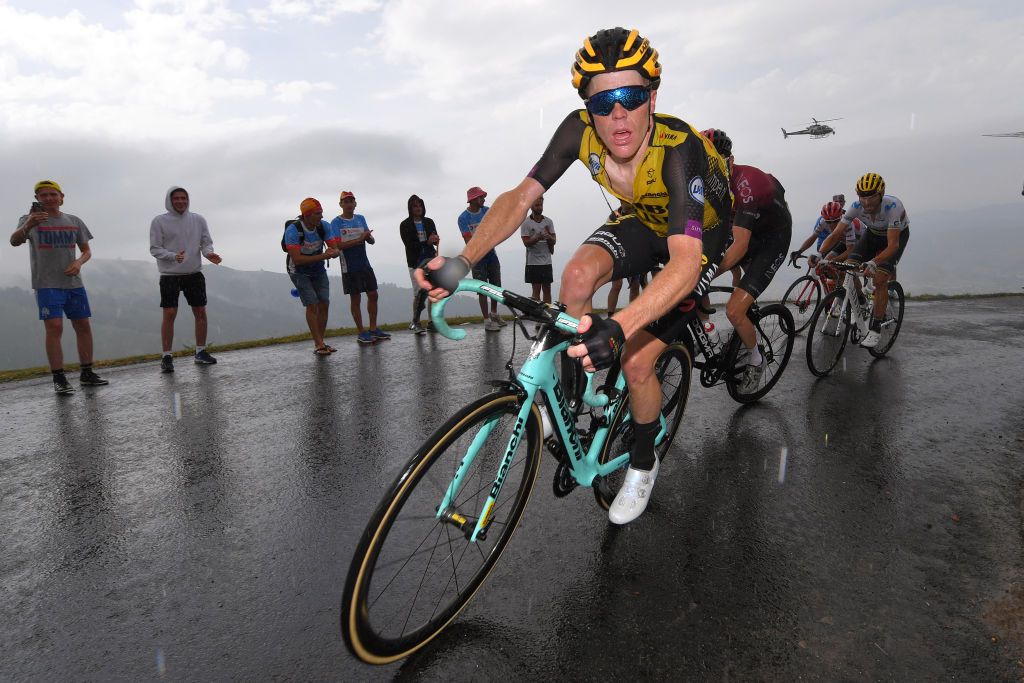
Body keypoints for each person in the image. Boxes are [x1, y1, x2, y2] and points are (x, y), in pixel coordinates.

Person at [418, 28, 732, 525]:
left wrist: (622, 324)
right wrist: (463, 261)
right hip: (641, 219)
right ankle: (569, 397)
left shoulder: (679, 148)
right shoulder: (577, 131)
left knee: (636, 362)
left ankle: (644, 463)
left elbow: (686, 262)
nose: (618, 115)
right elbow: (519, 199)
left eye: (630, 97)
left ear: (652, 96)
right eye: (602, 102)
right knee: (576, 277)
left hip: (697, 237)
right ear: (586, 106)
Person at [701, 128, 792, 393]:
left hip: (771, 241)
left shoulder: (747, 184)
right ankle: (709, 335)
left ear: (729, 161)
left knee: (734, 310)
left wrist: (703, 275)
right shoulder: (708, 184)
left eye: (717, 165)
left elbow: (740, 247)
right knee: (695, 277)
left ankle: (756, 358)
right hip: (740, 230)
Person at [9, 180, 109, 393]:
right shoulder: (27, 220)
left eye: (53, 194)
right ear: (37, 199)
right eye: (43, 195)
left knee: (83, 326)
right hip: (46, 284)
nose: (49, 198)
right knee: (54, 328)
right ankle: (59, 378)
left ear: (62, 197)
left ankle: (87, 372)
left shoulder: (74, 220)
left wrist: (78, 262)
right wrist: (29, 224)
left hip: (73, 283)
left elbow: (87, 250)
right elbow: (14, 241)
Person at [819, 172, 910, 348]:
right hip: (872, 234)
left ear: (881, 194)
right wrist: (820, 254)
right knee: (848, 268)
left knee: (880, 278)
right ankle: (860, 301)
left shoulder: (893, 207)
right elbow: (836, 233)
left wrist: (874, 262)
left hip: (894, 238)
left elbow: (892, 246)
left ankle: (875, 328)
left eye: (871, 197)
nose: (867, 202)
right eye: (862, 197)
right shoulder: (855, 206)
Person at [149, 186, 222, 372]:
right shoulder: (159, 221)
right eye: (176, 199)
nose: (181, 202)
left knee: (200, 312)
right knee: (170, 314)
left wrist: (209, 254)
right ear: (169, 201)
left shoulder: (198, 219)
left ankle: (201, 352)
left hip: (193, 273)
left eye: (184, 198)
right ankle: (166, 357)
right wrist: (173, 256)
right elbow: (155, 248)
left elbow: (206, 242)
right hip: (169, 275)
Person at [284, 197, 341, 355]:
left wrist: (333, 252)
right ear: (307, 215)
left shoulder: (324, 226)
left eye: (321, 212)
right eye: (318, 213)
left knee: (324, 303)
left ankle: (320, 342)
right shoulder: (293, 231)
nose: (321, 216)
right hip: (298, 271)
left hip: (318, 270)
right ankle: (318, 344)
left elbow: (334, 249)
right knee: (312, 304)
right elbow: (297, 259)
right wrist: (324, 256)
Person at [333, 191, 390, 345]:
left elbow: (370, 240)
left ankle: (373, 328)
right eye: (346, 201)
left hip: (364, 262)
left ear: (355, 203)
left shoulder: (360, 218)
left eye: (351, 201)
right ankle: (361, 331)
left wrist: (369, 238)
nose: (349, 203)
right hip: (349, 265)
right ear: (341, 204)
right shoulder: (336, 222)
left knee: (373, 294)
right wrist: (359, 239)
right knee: (356, 298)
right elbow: (338, 245)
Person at [458, 186, 505, 331]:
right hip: (477, 257)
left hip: (491, 253)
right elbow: (468, 240)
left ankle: (494, 314)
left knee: (495, 285)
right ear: (472, 200)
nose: (484, 199)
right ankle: (486, 320)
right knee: (482, 288)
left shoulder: (487, 211)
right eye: (481, 197)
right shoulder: (463, 218)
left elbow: (497, 227)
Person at [399, 194, 439, 334]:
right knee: (419, 293)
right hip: (415, 262)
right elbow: (409, 245)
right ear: (410, 208)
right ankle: (415, 321)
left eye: (420, 205)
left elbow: (433, 238)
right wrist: (427, 242)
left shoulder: (429, 222)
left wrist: (435, 240)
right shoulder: (405, 225)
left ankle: (432, 321)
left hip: (431, 260)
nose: (418, 208)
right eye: (415, 206)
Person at [519, 195, 556, 303]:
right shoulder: (526, 223)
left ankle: (548, 314)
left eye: (541, 205)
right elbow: (526, 243)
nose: (539, 208)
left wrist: (549, 237)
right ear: (531, 206)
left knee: (547, 289)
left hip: (546, 260)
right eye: (537, 205)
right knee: (536, 289)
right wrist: (537, 238)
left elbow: (554, 240)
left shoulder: (548, 222)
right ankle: (537, 316)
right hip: (533, 262)